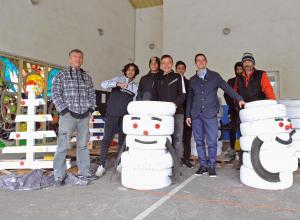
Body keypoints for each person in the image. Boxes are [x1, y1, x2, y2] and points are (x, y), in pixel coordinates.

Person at [186, 53, 245, 177]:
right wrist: (188, 115)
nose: (200, 62)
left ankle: (212, 166)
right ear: (195, 63)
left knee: (212, 141)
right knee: (199, 141)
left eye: (203, 60)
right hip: (196, 114)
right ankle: (203, 165)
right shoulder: (192, 80)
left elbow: (227, 88)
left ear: (206, 62)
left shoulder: (215, 76)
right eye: (198, 60)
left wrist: (238, 98)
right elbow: (190, 98)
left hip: (210, 114)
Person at [51, 49, 96, 186]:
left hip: (84, 116)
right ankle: (58, 175)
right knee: (63, 146)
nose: (78, 59)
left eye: (80, 57)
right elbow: (55, 93)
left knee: (82, 146)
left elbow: (92, 94)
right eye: (75, 57)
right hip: (68, 115)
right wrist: (63, 110)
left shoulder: (86, 77)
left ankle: (85, 172)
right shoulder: (61, 75)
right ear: (70, 59)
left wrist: (91, 109)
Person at [96, 63, 139, 177]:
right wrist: (117, 84)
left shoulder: (135, 87)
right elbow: (103, 84)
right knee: (106, 140)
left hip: (125, 117)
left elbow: (135, 103)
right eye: (128, 70)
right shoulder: (118, 79)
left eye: (133, 70)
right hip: (111, 115)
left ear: (135, 73)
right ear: (125, 71)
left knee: (122, 141)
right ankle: (101, 165)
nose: (130, 72)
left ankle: (120, 163)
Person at [234, 52, 276, 169]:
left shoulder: (261, 74)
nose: (247, 63)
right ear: (243, 64)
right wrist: (238, 107)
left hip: (258, 112)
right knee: (243, 136)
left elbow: (268, 90)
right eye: (245, 62)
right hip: (244, 113)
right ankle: (244, 161)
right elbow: (235, 93)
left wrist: (273, 105)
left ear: (253, 63)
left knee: (259, 136)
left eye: (249, 61)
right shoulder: (239, 78)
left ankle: (261, 161)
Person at [152, 55, 186, 160]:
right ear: (161, 65)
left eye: (169, 62)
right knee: (164, 138)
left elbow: (183, 94)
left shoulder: (177, 76)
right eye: (164, 63)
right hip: (162, 115)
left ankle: (176, 164)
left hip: (177, 113)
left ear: (172, 64)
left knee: (177, 138)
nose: (166, 65)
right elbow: (154, 96)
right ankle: (165, 162)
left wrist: (173, 105)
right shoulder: (157, 78)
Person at [223, 62, 243, 159]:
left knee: (243, 129)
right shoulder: (230, 81)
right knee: (233, 129)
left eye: (240, 69)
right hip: (233, 110)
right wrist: (232, 105)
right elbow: (226, 95)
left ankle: (244, 149)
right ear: (235, 70)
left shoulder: (246, 81)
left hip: (244, 110)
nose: (239, 71)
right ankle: (232, 148)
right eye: (237, 69)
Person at [175, 61, 193, 168]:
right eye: (179, 68)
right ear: (176, 69)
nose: (181, 70)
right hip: (176, 113)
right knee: (176, 137)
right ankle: (175, 158)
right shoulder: (172, 81)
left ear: (185, 70)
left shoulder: (188, 83)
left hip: (186, 114)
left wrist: (189, 114)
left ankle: (186, 159)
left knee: (187, 137)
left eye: (182, 68)